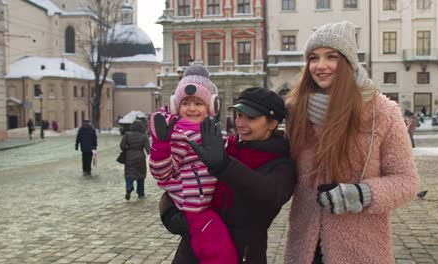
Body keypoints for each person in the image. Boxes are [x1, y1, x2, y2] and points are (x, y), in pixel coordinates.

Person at [283, 21, 420, 264]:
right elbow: (281, 169)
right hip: (305, 245)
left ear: (347, 62)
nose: (320, 66)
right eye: (313, 58)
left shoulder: (382, 112)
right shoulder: (296, 109)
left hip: (361, 247)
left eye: (331, 57)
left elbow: (406, 180)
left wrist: (359, 194)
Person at [159, 87, 296, 264]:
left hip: (242, 254)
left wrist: (224, 165)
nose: (241, 123)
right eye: (239, 115)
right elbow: (183, 181)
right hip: (194, 250)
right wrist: (169, 211)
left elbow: (271, 193)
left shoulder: (281, 162)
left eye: (251, 118)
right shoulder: (224, 146)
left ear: (273, 122)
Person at [148, 64, 238, 264]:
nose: (191, 108)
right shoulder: (180, 135)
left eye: (198, 103)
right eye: (186, 103)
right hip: (194, 205)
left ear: (211, 107)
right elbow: (163, 173)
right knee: (221, 253)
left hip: (210, 201)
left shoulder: (214, 131)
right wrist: (161, 146)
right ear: (176, 106)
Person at [120, 120, 150, 200]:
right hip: (140, 157)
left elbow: (122, 146)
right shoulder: (144, 136)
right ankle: (141, 193)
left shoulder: (127, 135)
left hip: (129, 156)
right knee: (141, 175)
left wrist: (126, 151)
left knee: (129, 174)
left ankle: (129, 187)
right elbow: (148, 150)